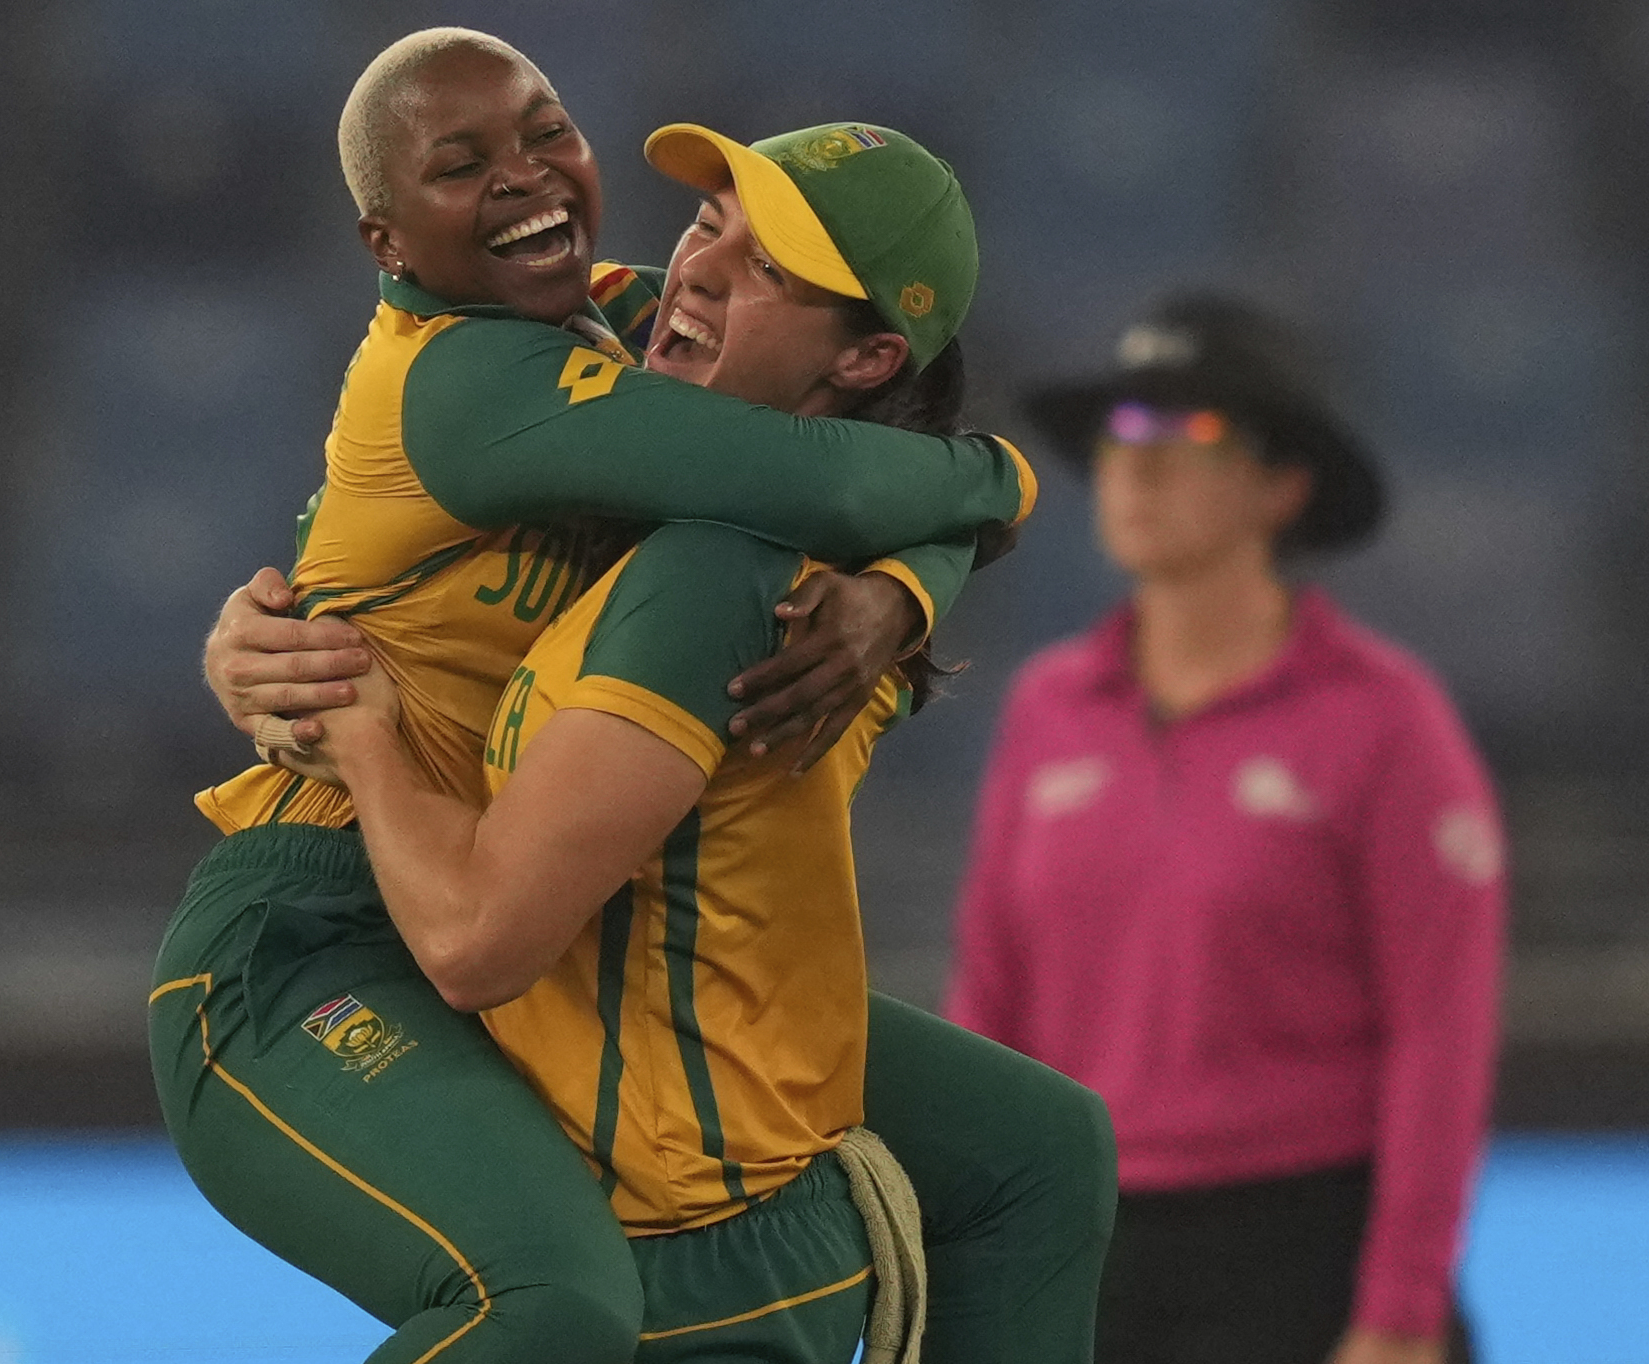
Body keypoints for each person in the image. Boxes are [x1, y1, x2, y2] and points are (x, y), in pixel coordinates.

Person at [149, 27, 1075, 1364]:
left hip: (527, 911)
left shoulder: (628, 325)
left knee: (1038, 1150)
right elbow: (836, 480)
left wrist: (908, 589)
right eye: (459, 164)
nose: (527, 179)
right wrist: (984, 497)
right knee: (547, 1305)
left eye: (545, 133)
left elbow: (849, 461)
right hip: (313, 930)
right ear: (384, 242)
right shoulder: (462, 381)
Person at [945, 294, 1506, 1364]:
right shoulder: (1049, 705)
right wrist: (973, 1261)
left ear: (1281, 486)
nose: (1136, 466)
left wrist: (1398, 1309)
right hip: (1089, 1241)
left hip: (1304, 1247)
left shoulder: (1384, 718)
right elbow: (990, 1000)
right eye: (1120, 434)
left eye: (1188, 433)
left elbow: (1443, 1032)